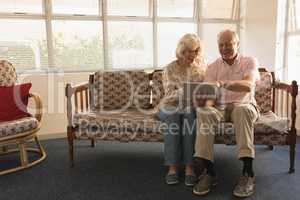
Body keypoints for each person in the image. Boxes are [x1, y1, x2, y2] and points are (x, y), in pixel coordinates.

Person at [192, 29, 260, 198]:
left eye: (228, 44)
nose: (224, 48)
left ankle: (248, 173)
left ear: (237, 44)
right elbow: (209, 93)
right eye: (220, 45)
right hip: (220, 107)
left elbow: (248, 85)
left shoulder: (249, 61)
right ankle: (209, 173)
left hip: (243, 104)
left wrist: (223, 83)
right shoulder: (213, 67)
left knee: (242, 111)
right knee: (204, 112)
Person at [157, 33, 206, 186]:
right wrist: (186, 91)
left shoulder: (201, 68)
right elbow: (170, 94)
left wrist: (197, 93)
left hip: (189, 107)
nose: (192, 56)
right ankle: (172, 167)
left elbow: (204, 91)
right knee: (173, 116)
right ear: (181, 51)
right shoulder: (170, 68)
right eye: (188, 52)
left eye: (195, 51)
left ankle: (189, 168)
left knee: (189, 115)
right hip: (169, 106)